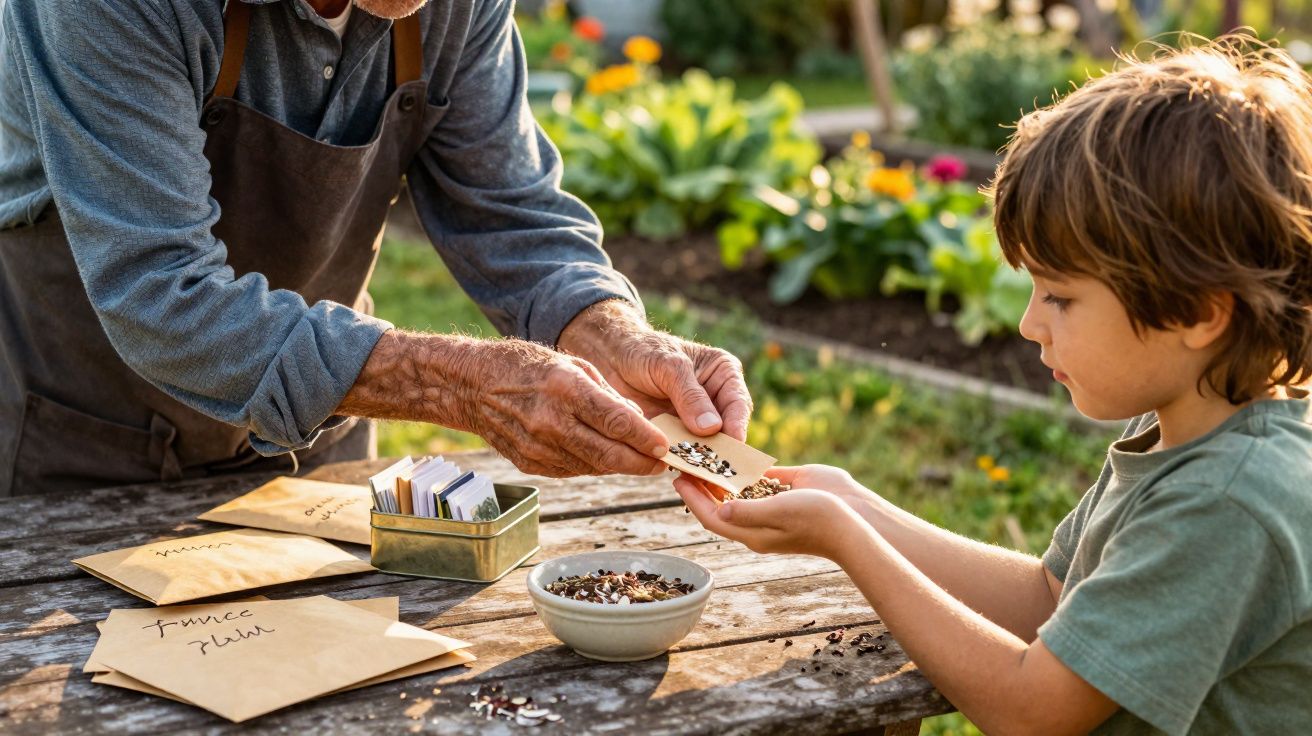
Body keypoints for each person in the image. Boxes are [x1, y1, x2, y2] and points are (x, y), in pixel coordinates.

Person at [677, 36, 1312, 734]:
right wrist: (856, 506)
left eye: (1060, 298)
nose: (1029, 324)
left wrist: (844, 541)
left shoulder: (1228, 501)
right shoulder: (1184, 423)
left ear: (1198, 311)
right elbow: (1051, 600)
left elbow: (1032, 710)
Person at [0, 0, 751, 495]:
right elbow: (158, 290)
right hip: (79, 446)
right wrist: (454, 382)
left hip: (312, 453)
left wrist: (613, 333)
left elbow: (511, 213)